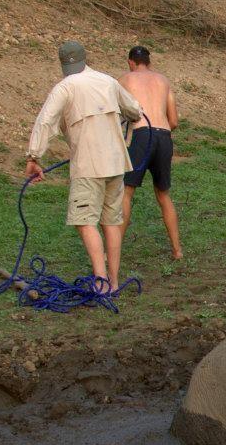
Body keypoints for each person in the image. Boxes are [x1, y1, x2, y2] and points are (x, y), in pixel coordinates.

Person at [24, 40, 143, 292]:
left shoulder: (65, 86)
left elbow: (45, 121)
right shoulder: (108, 81)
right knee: (110, 221)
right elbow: (134, 109)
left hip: (89, 164)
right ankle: (113, 281)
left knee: (84, 220)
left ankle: (100, 281)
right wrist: (126, 117)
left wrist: (33, 157)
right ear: (84, 58)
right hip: (116, 163)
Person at [119, 44, 184, 262]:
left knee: (127, 192)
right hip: (164, 136)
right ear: (149, 62)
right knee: (163, 194)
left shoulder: (125, 80)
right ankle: (177, 251)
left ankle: (113, 251)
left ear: (130, 62)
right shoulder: (163, 81)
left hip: (140, 135)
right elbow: (173, 120)